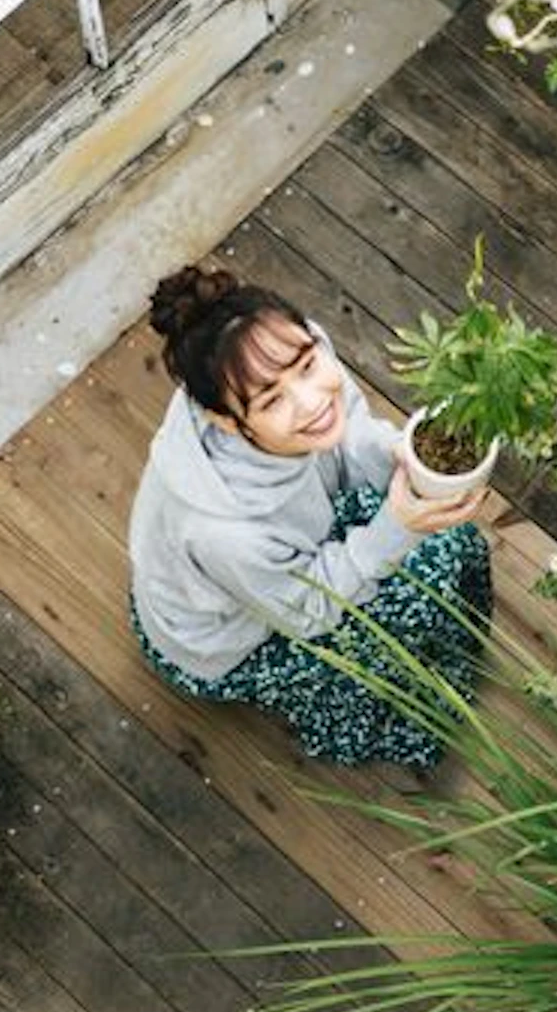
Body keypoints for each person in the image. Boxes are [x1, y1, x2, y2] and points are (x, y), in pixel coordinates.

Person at [126, 266, 493, 770]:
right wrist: (396, 528)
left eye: (306, 365)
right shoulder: (223, 530)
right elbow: (305, 611)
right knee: (419, 579)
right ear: (225, 422)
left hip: (280, 562)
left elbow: (348, 429)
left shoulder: (286, 351)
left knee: (437, 537)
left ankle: (444, 636)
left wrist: (396, 455)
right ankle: (373, 720)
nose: (312, 400)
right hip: (227, 637)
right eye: (272, 400)